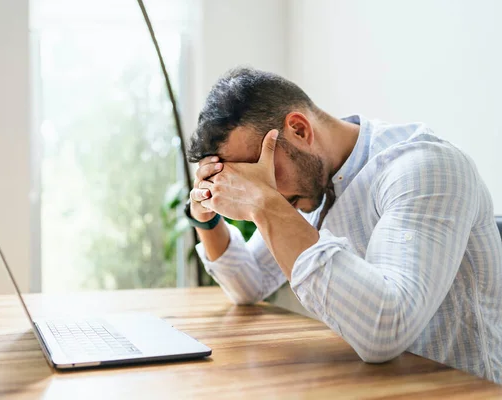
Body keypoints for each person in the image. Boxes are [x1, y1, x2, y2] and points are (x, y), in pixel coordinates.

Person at [184, 67, 502, 383]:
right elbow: (251, 283)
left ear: (298, 129)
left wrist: (264, 201)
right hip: (373, 386)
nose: (262, 186)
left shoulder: (423, 167)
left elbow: (386, 331)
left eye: (262, 171)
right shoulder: (309, 184)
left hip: (466, 389)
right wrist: (206, 218)